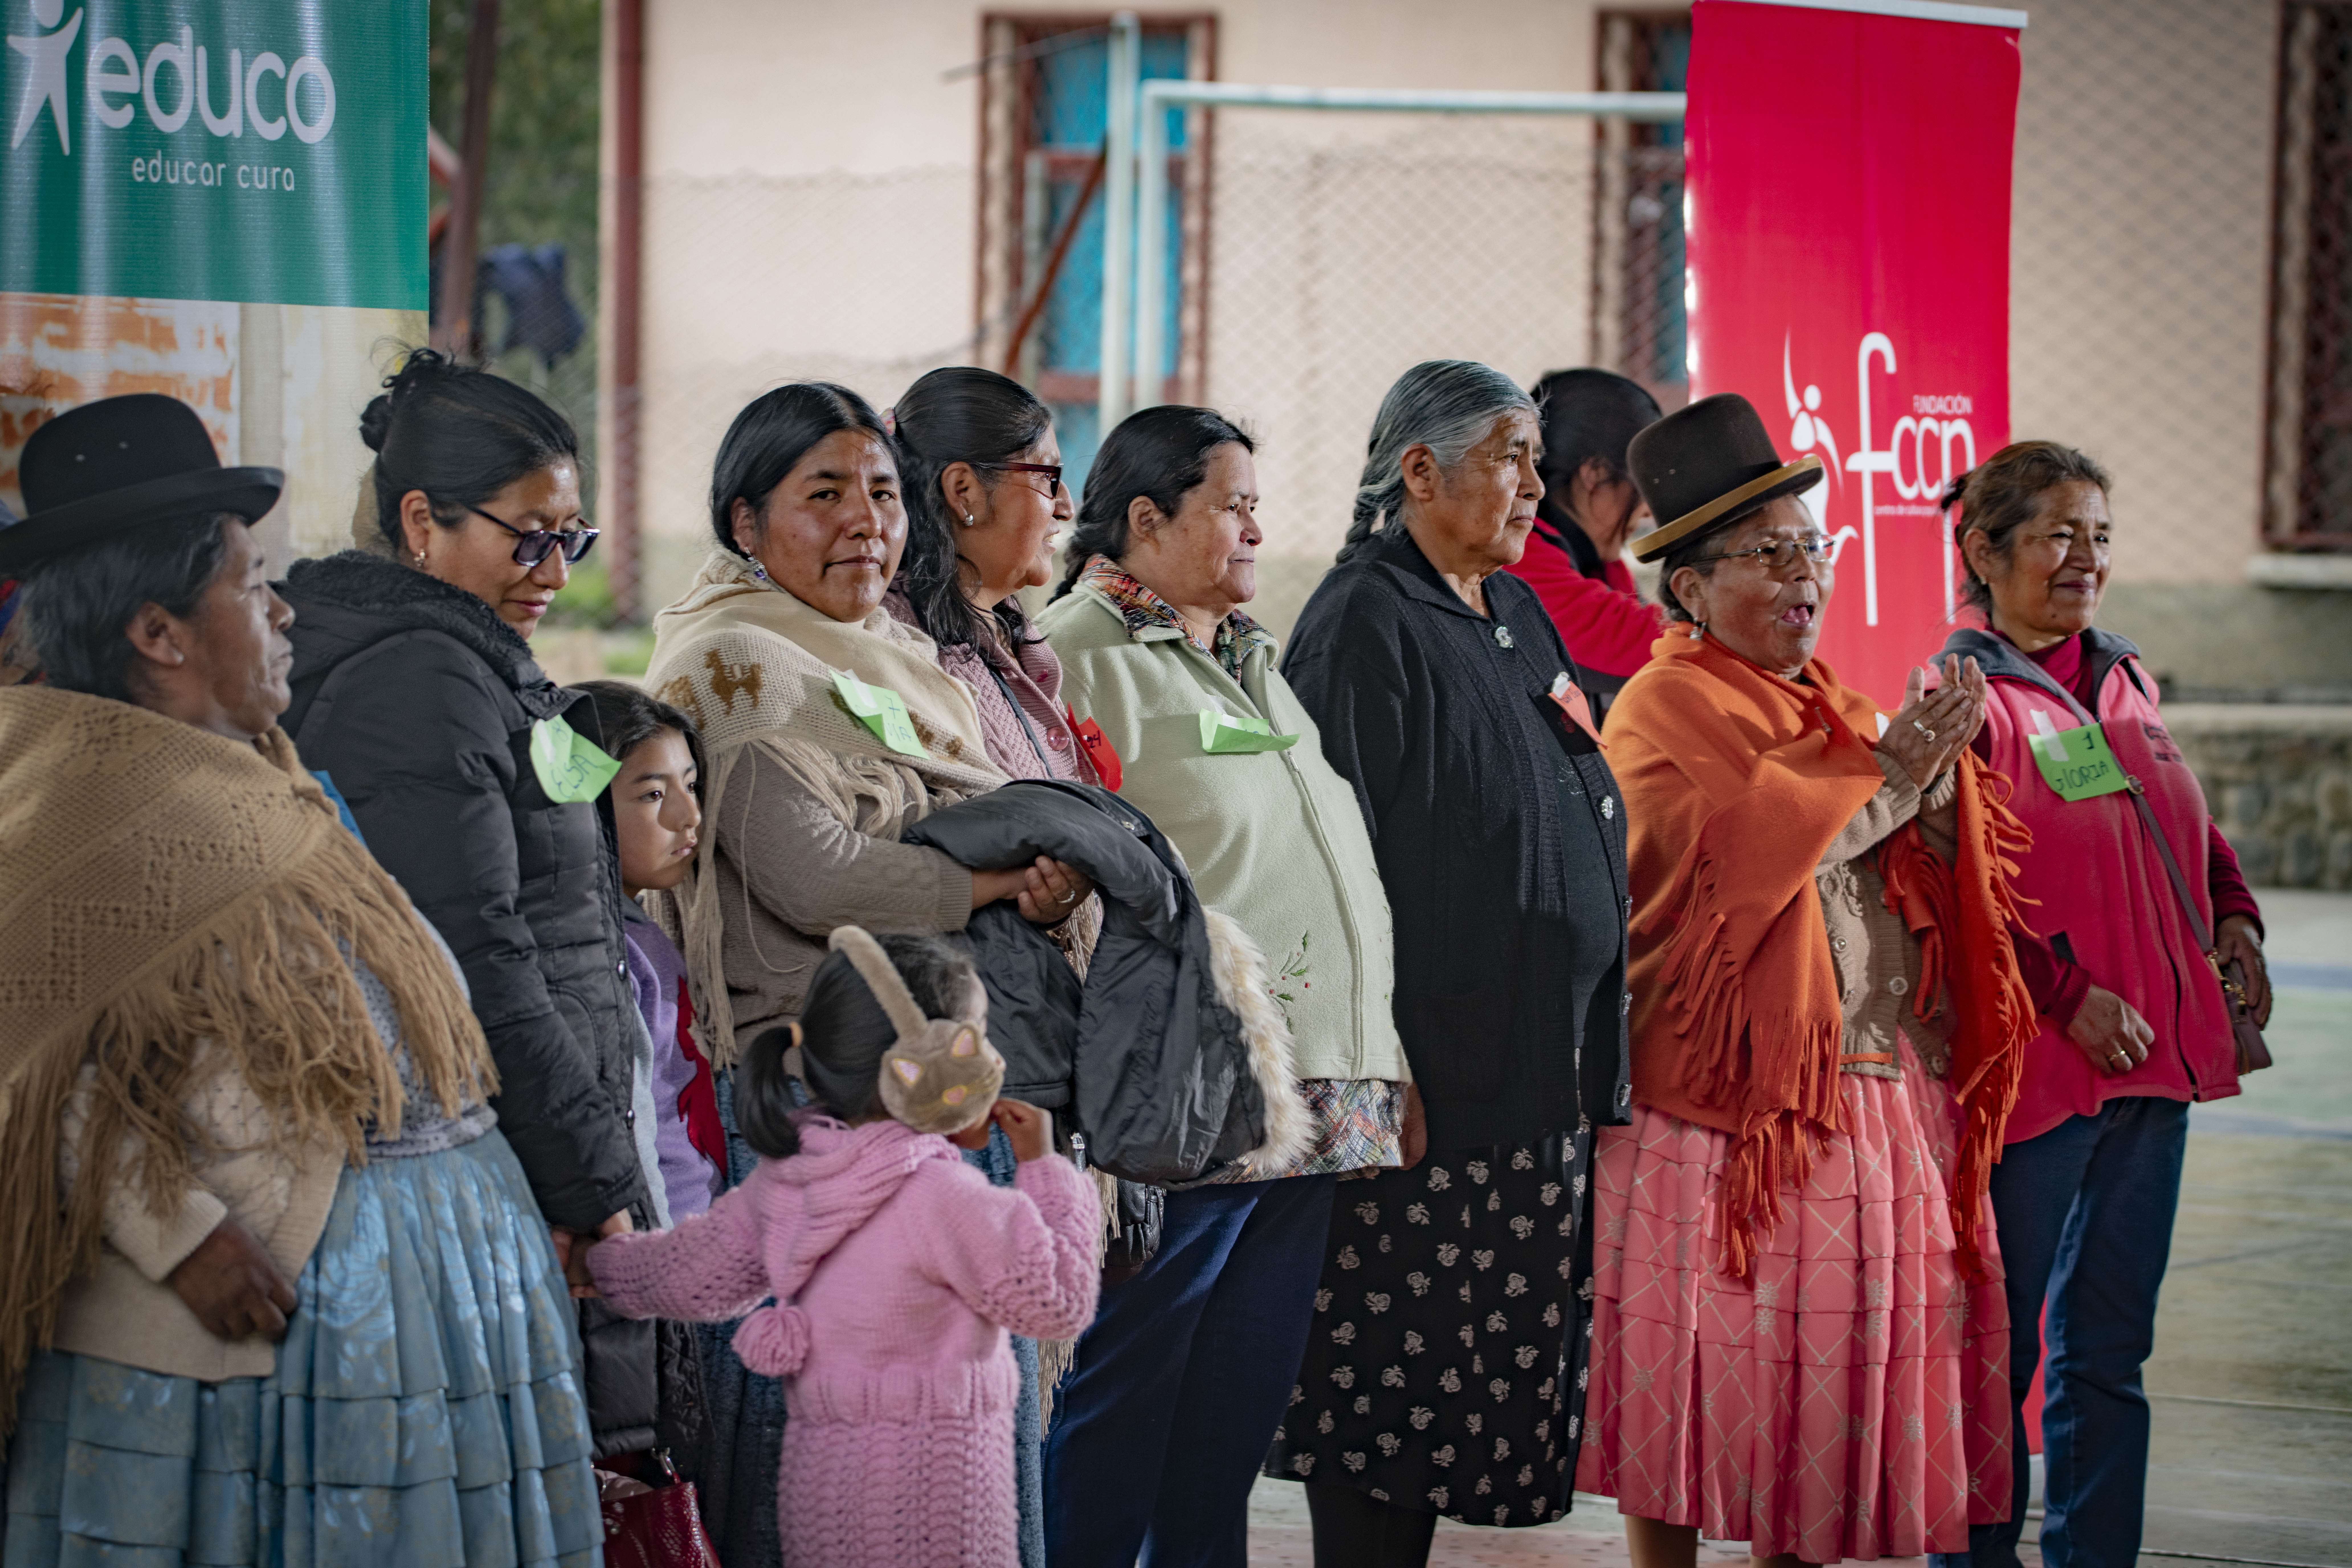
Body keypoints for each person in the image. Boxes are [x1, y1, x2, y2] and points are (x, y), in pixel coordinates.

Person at [0, 393, 600, 1567]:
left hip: (416, 1296)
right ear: (160, 634)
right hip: (256, 1330)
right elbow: (31, 1062)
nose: (280, 609)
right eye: (250, 581)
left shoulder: (253, 774)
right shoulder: (81, 799)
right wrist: (178, 1235)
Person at [1577, 393, 2036, 1567]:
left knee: (1818, 1382)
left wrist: (1932, 787)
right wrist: (1894, 769)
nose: (1803, 576)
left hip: (1869, 1083)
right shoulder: (1666, 704)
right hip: (1727, 1103)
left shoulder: (1828, 697)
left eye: (1810, 547)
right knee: (1696, 1364)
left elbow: (1892, 851)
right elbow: (1745, 851)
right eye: (1768, 553)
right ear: (1687, 588)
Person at [641, 381, 1088, 1568]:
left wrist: (1023, 862)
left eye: (882, 493)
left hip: (936, 1089)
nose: (866, 523)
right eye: (824, 494)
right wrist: (995, 878)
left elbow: (970, 809)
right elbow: (818, 874)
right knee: (814, 1452)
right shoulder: (731, 663)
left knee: (956, 1437)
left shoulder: (893, 648)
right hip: (822, 1107)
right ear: (745, 523)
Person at [274, 350, 677, 1465]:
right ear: (422, 521)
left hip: (535, 1149)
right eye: (530, 534)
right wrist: (595, 1185)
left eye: (573, 536)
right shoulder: (419, 681)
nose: (556, 567)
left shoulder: (479, 663)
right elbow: (478, 958)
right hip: (494, 1174)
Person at [1259, 360, 1630, 1561]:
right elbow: (1336, 864)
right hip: (1426, 1093)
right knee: (1385, 1403)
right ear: (1419, 470)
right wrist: (1379, 1064)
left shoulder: (1513, 608)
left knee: (1469, 1399)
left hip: (1530, 1082)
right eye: (1510, 457)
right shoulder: (1363, 620)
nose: (1535, 484)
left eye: (1536, 458)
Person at [1037, 404, 1413, 1567]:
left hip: (1315, 1098)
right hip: (1193, 1095)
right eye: (1233, 504)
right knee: (1130, 1393)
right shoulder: (1077, 654)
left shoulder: (1247, 653)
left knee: (1231, 1414)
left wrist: (1382, 1062)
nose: (1257, 526)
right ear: (1146, 519)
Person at [1928, 442, 2269, 1568]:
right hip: (2036, 1082)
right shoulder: (1957, 696)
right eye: (2060, 534)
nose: (2089, 559)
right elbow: (1949, 882)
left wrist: (2234, 914)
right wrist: (2067, 998)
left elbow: (2184, 823)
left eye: (2103, 535)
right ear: (1985, 549)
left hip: (2151, 1071)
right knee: (1997, 1348)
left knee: (2110, 1349)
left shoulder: (2122, 675)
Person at [573, 928, 1100, 1568]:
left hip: (823, 1511)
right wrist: (1045, 1172)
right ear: (924, 1068)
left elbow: (682, 1275)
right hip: (949, 1517)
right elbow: (1058, 1303)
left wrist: (594, 1264)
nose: (991, 1057)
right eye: (975, 1038)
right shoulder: (949, 1199)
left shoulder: (785, 1187)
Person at [887, 366, 1098, 784]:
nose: (1066, 507)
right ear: (965, 492)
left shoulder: (1007, 632)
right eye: (1048, 477)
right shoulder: (900, 650)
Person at [576, 680, 728, 1224]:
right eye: (653, 794)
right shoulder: (603, 948)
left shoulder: (638, 930)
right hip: (665, 1239)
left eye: (690, 784)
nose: (689, 815)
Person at [1506, 368, 1669, 715]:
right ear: (1594, 475)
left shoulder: (1591, 559)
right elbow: (1654, 645)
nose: (1646, 514)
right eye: (1643, 486)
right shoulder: (1517, 558)